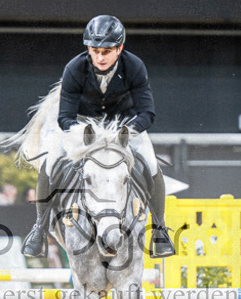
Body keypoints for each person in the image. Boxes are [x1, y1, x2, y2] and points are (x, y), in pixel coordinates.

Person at [21, 14, 175, 259]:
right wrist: (82, 134)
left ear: (120, 49)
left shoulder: (134, 66)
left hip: (123, 125)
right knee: (50, 162)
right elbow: (65, 117)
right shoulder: (74, 68)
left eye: (107, 51)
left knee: (151, 163)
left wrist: (128, 131)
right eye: (95, 51)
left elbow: (147, 113)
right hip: (84, 126)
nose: (101, 57)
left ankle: (159, 229)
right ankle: (39, 227)